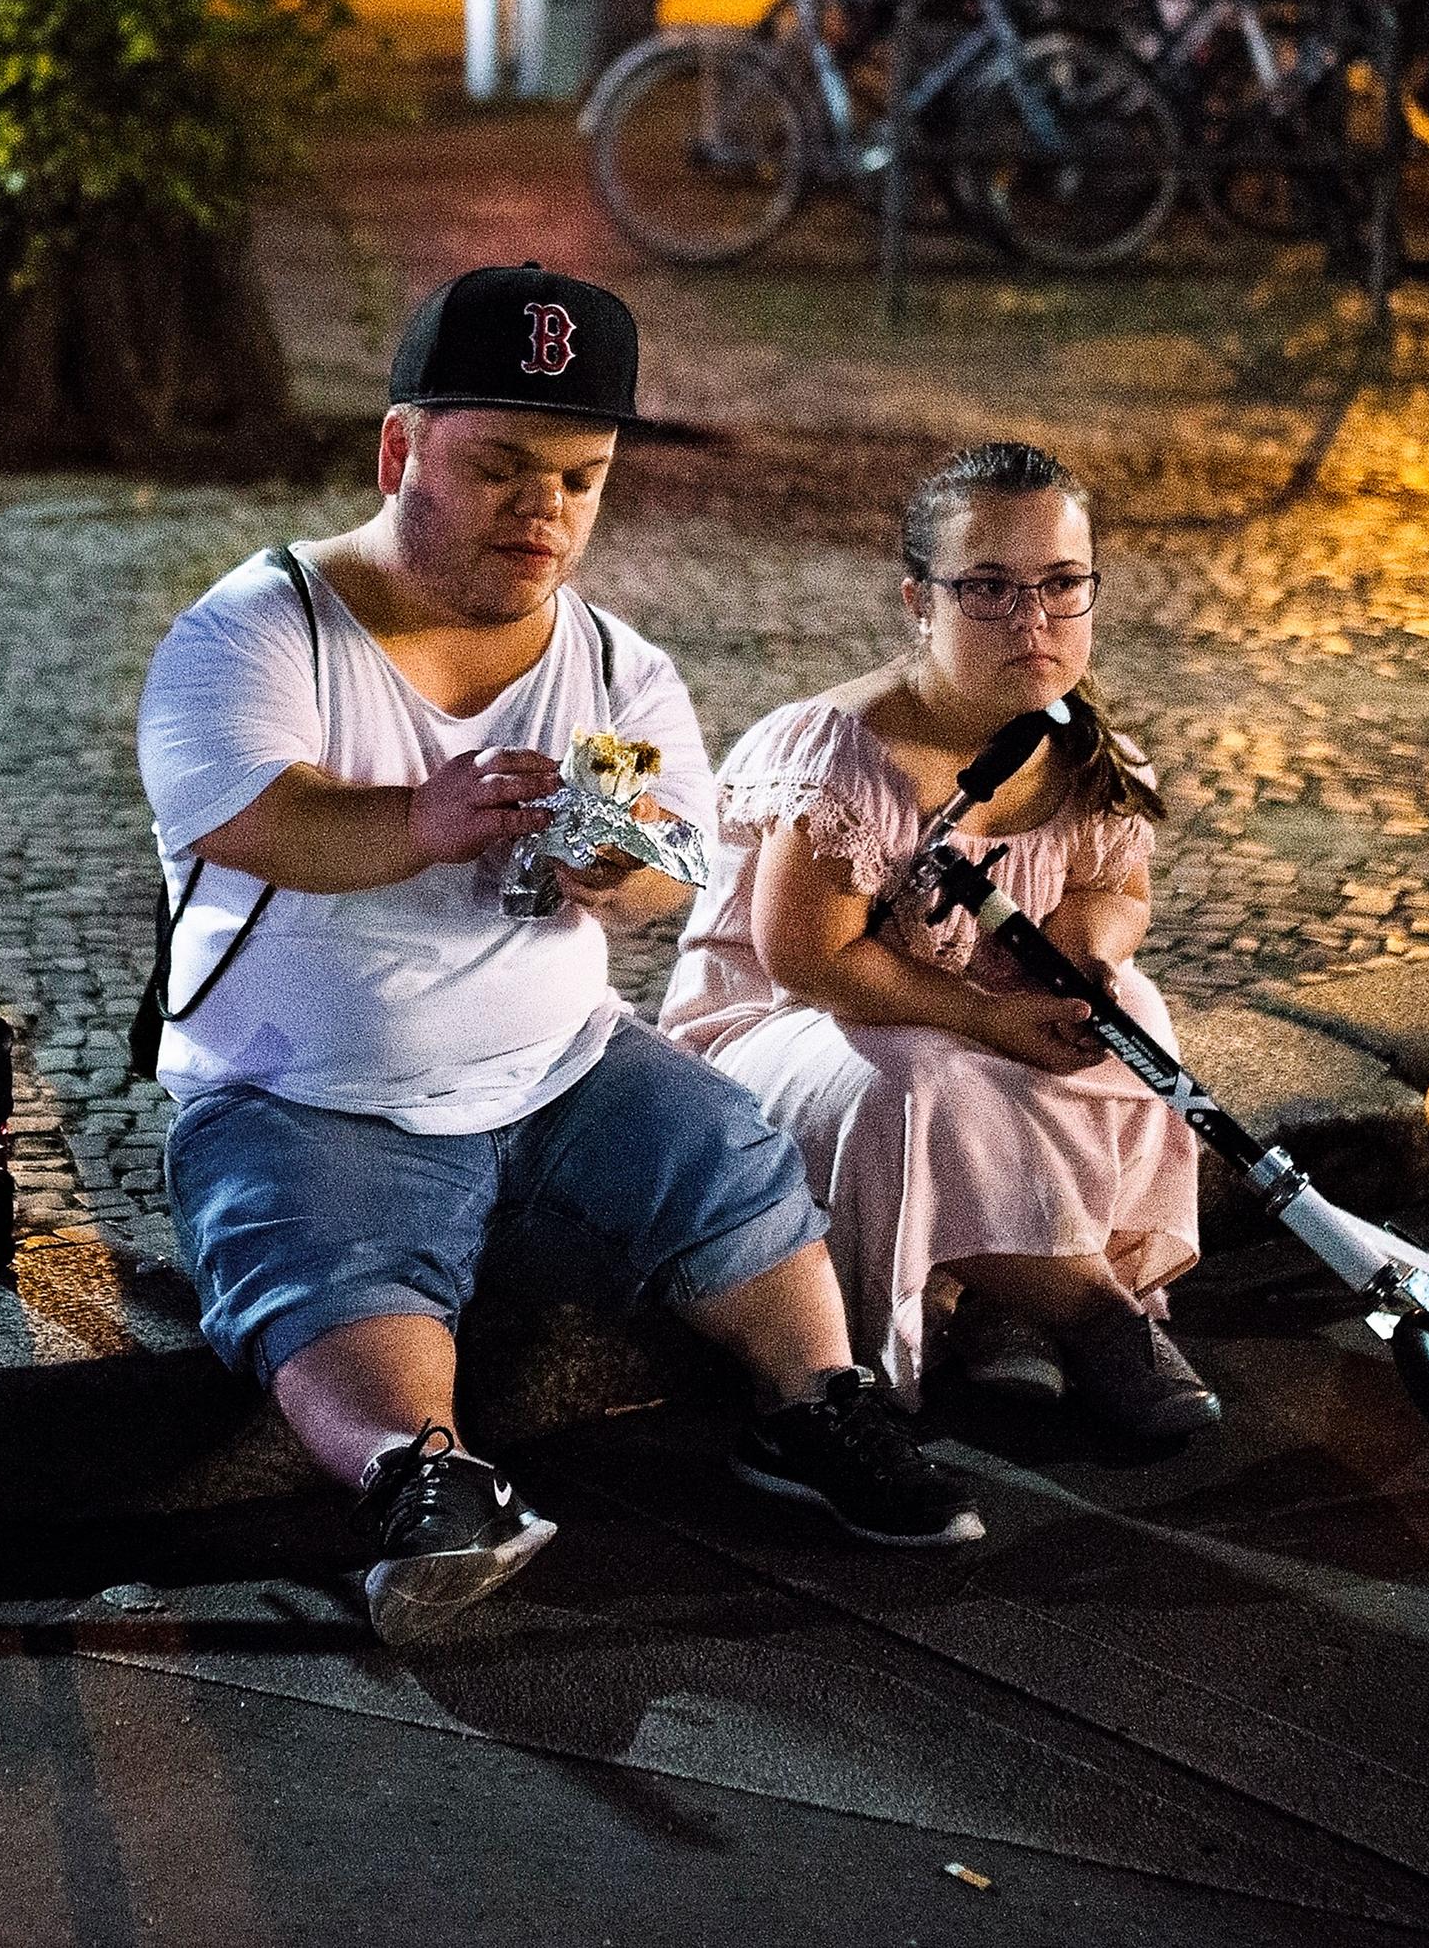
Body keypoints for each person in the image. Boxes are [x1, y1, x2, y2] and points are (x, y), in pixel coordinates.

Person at [139, 264, 982, 1645]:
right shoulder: (258, 626)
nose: (547, 512)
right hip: (310, 1086)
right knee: (318, 1258)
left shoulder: (613, 660)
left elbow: (670, 859)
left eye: (581, 478)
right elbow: (251, 820)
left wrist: (618, 867)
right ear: (400, 448)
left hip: (561, 1064)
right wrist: (423, 817)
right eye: (502, 468)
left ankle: (818, 1404)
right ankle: (422, 1482)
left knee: (725, 1149)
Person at [659, 441, 1215, 1438]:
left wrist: (1086, 952)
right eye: (989, 589)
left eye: (1060, 584)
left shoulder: (1082, 746)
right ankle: (1093, 1314)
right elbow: (807, 957)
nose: (1033, 620)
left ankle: (999, 1305)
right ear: (920, 600)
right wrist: (989, 1015)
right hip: (794, 1029)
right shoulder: (849, 750)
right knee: (921, 1077)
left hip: (969, 1012)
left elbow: (1112, 885)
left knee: (1132, 1013)